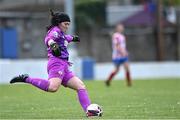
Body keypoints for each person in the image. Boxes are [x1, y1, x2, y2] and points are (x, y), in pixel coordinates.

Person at [10, 9, 99, 117]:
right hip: (56, 64)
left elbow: (65, 38)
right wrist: (52, 44)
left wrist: (73, 38)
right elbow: (49, 38)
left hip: (64, 65)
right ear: (59, 23)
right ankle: (26, 79)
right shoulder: (55, 31)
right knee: (52, 88)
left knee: (80, 86)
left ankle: (89, 112)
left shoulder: (60, 33)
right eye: (66, 24)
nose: (67, 26)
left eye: (69, 24)